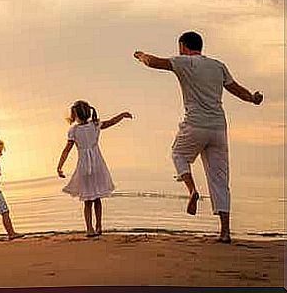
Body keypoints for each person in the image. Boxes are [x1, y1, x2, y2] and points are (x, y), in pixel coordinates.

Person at [133, 31, 263, 243]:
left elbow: (154, 62)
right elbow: (237, 90)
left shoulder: (184, 62)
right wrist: (253, 99)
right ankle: (225, 232)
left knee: (178, 155)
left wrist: (140, 55)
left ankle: (192, 190)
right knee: (220, 179)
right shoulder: (218, 65)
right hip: (218, 128)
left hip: (195, 125)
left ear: (183, 46)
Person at [57, 100, 132, 237]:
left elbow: (66, 150)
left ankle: (89, 229)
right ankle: (99, 226)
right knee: (97, 198)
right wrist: (122, 115)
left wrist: (59, 167)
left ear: (75, 114)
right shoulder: (95, 125)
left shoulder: (73, 130)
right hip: (98, 165)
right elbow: (111, 122)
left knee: (87, 201)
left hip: (84, 167)